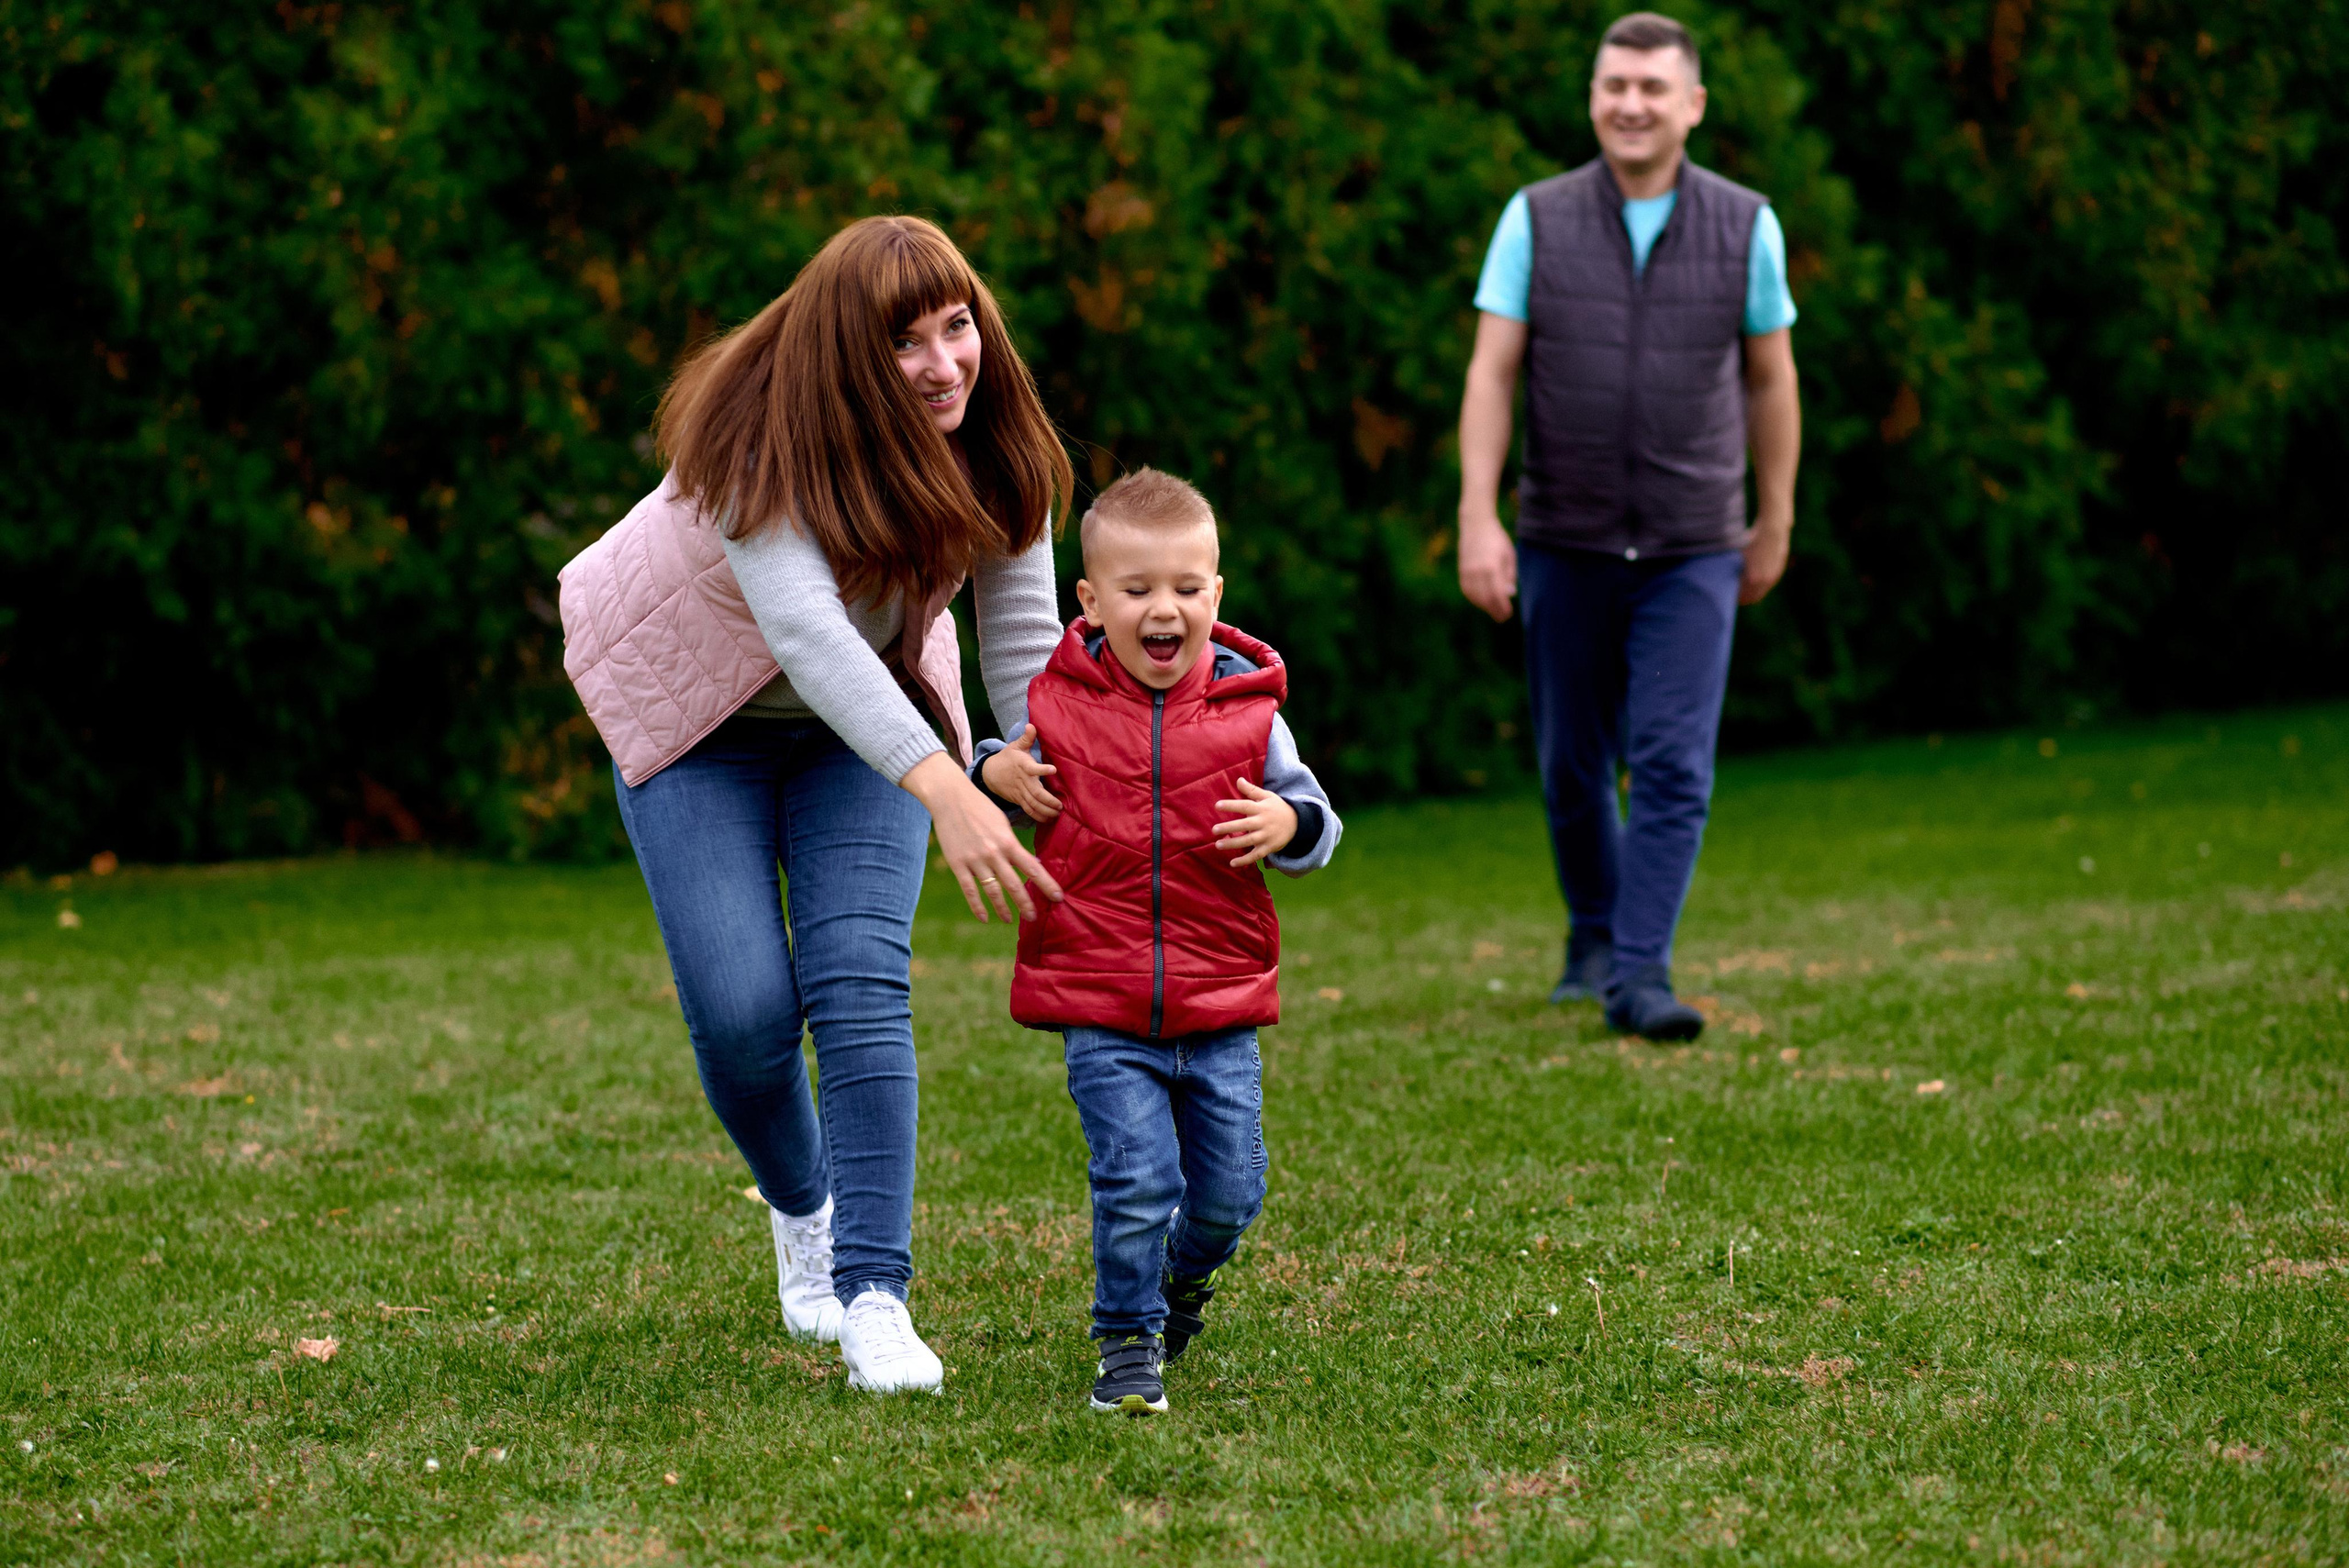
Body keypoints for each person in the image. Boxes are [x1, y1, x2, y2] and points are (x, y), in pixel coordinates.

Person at [557, 216, 1074, 1395]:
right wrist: (945, 778)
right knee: (744, 1013)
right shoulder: (754, 441)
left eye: (958, 327)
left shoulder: (997, 445)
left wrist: (1044, 767)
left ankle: (875, 1293)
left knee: (857, 977)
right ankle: (803, 1205)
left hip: (866, 733)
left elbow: (1028, 643)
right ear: (847, 355)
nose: (946, 364)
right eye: (907, 343)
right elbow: (806, 632)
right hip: (696, 724)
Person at [1454, 12, 1802, 1041]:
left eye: (1654, 87)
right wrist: (1479, 515)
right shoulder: (1534, 217)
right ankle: (1593, 935)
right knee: (1571, 760)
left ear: (1691, 104)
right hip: (1563, 535)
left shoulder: (1747, 226)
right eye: (1615, 85)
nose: (1631, 104)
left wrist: (1773, 516)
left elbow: (1773, 383)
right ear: (1593, 97)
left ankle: (1639, 971)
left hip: (1695, 542)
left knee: (1671, 759)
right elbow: (1491, 371)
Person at [970, 469, 1341, 1415]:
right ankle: (1127, 1339)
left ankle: (1181, 1279)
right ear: (1091, 602)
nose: (1163, 608)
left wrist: (1290, 828)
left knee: (1229, 1193)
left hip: (1219, 1000)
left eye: (1185, 587)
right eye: (1136, 591)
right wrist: (994, 769)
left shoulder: (1253, 714)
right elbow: (989, 767)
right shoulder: (1058, 705)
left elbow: (1315, 817)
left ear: (1216, 595)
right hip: (1099, 996)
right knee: (1136, 1177)